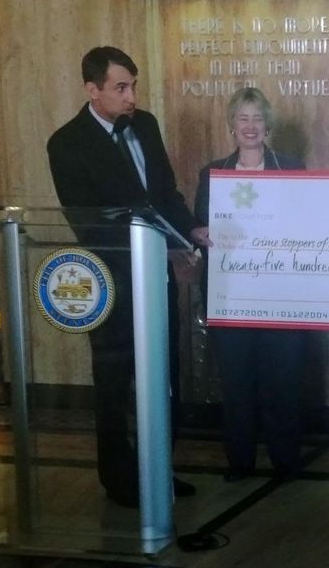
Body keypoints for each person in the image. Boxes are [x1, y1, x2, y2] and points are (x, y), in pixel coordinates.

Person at [47, 45, 210, 508]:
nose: (131, 97)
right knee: (115, 384)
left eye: (133, 86)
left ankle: (158, 471)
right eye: (120, 88)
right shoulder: (66, 143)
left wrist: (189, 231)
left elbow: (165, 194)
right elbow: (85, 222)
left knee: (164, 376)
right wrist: (143, 243)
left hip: (158, 276)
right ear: (92, 89)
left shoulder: (146, 125)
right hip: (113, 283)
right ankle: (119, 480)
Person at [194, 87, 306, 480]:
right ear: (232, 125)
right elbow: (200, 227)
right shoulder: (213, 173)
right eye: (243, 118)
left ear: (267, 124)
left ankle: (285, 460)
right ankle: (239, 461)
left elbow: (307, 224)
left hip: (282, 295)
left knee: (283, 381)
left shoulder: (291, 169)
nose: (251, 126)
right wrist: (200, 233)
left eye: (258, 118)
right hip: (231, 296)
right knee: (237, 383)